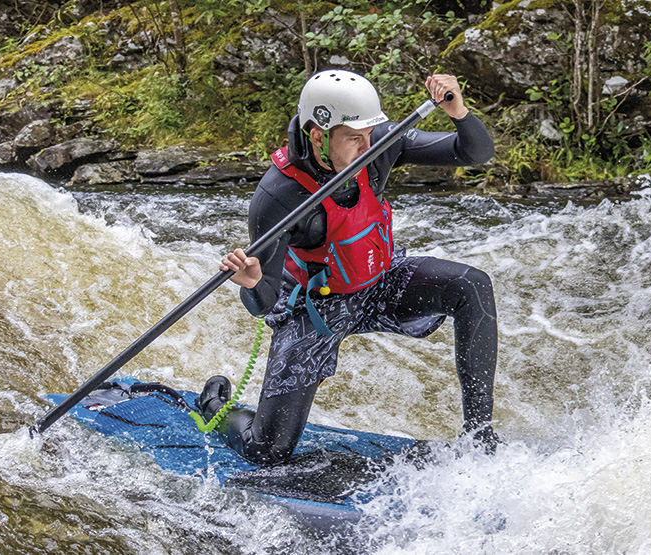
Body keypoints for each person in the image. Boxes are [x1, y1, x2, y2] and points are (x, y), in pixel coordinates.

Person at [196, 69, 499, 464]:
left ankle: (479, 435)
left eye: (369, 134)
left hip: (380, 279)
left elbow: (476, 153)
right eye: (354, 138)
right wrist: (251, 282)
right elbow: (264, 302)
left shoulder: (377, 143)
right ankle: (212, 406)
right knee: (266, 450)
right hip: (315, 305)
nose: (367, 146)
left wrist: (458, 111)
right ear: (318, 134)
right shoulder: (278, 194)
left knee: (471, 285)